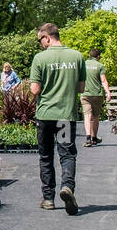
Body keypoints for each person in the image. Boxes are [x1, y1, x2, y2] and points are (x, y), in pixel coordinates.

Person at [29, 22, 85, 215]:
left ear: (47, 37)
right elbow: (81, 89)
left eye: (40, 40)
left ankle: (48, 199)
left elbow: (35, 89)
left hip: (45, 115)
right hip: (65, 116)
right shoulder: (77, 56)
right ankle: (67, 186)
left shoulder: (40, 58)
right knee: (67, 154)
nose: (40, 44)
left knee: (46, 156)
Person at [80, 48, 111, 147]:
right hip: (97, 95)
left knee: (87, 116)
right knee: (96, 117)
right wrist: (108, 92)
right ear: (98, 56)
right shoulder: (100, 66)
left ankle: (88, 139)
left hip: (85, 94)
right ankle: (94, 138)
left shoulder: (83, 64)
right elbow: (103, 81)